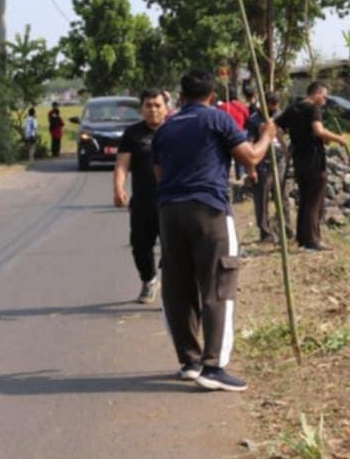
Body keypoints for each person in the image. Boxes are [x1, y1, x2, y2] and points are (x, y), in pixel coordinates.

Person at [153, 69, 276, 392]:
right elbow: (250, 156)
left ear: (180, 96)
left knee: (178, 288)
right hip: (208, 209)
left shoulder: (167, 126)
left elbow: (158, 172)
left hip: (169, 211)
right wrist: (267, 134)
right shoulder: (217, 119)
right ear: (211, 96)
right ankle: (213, 365)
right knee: (218, 285)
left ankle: (190, 361)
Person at [276, 82, 347, 250]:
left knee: (305, 199)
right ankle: (313, 241)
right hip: (314, 159)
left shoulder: (293, 109)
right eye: (324, 96)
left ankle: (302, 237)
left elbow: (275, 128)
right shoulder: (313, 109)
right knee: (315, 200)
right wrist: (339, 138)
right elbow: (318, 130)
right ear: (316, 93)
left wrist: (286, 149)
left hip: (299, 159)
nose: (325, 100)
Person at [113, 89, 168, 304]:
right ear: (141, 109)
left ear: (166, 108)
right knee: (140, 245)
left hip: (171, 202)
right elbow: (122, 164)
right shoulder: (133, 134)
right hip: (143, 201)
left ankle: (173, 287)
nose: (153, 109)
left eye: (157, 105)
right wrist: (118, 188)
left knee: (173, 247)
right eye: (148, 105)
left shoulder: (175, 129)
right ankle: (149, 280)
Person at [247, 92, 292, 242]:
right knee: (262, 197)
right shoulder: (254, 120)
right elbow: (249, 143)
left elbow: (284, 135)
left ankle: (286, 228)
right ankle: (265, 232)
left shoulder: (280, 115)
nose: (274, 110)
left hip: (279, 160)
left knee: (282, 196)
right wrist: (251, 167)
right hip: (262, 161)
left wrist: (286, 153)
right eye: (270, 107)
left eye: (276, 107)